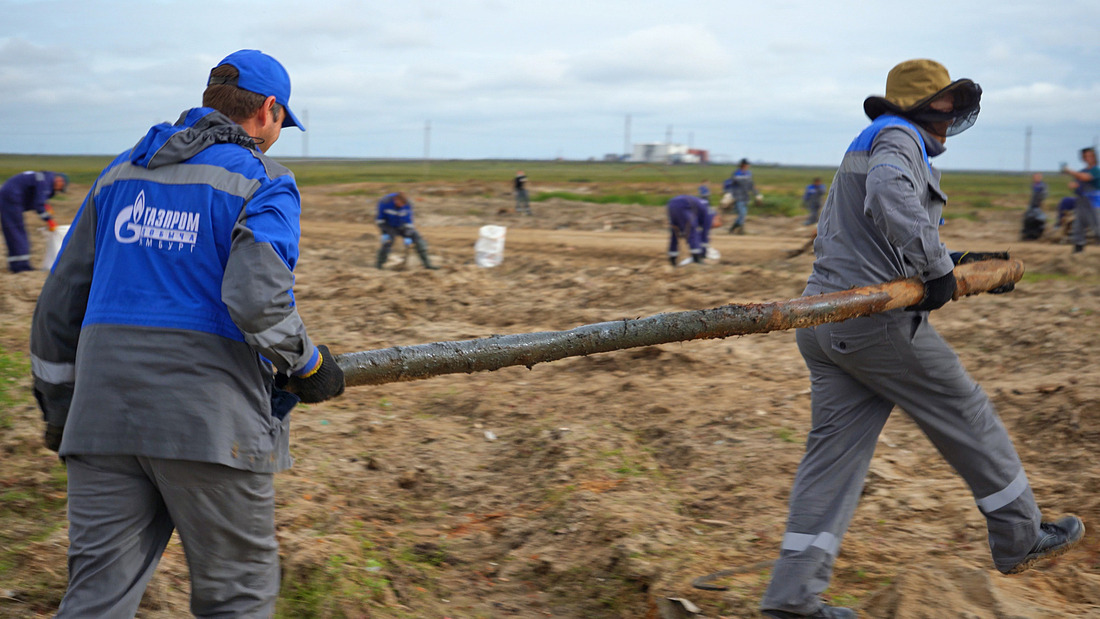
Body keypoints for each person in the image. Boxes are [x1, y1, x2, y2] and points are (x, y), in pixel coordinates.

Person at [760, 59, 1083, 619]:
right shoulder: (898, 136)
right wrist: (936, 268)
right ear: (924, 108)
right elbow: (889, 195)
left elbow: (872, 234)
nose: (951, 117)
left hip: (824, 322)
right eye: (946, 105)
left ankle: (791, 601)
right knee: (967, 412)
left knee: (833, 460)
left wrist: (953, 263)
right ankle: (1019, 535)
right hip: (873, 325)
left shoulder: (875, 139)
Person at [30, 49, 346, 618]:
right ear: (269, 110)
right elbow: (257, 299)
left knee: (95, 602)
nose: (278, 136)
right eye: (282, 123)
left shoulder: (119, 173)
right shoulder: (263, 181)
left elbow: (58, 308)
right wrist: (308, 366)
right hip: (210, 425)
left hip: (102, 420)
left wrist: (61, 414)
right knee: (237, 599)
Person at [0, 170, 67, 272]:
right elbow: (39, 204)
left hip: (9, 196)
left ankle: (16, 264)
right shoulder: (46, 181)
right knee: (16, 231)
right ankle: (21, 267)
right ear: (59, 180)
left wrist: (45, 206)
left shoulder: (44, 178)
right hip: (11, 198)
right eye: (60, 188)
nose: (57, 190)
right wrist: (49, 220)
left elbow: (35, 197)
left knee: (14, 232)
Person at [375, 191, 438, 270]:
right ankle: (379, 265)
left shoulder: (408, 204)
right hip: (388, 225)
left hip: (402, 225)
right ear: (395, 200)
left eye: (403, 205)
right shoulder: (385, 202)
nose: (401, 206)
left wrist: (408, 232)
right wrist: (386, 231)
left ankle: (427, 264)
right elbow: (380, 220)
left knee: (418, 240)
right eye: (400, 204)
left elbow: (409, 221)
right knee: (388, 242)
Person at [1060, 147, 1100, 252]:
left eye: (1090, 156)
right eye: (1085, 156)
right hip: (1082, 201)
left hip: (1094, 202)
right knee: (1078, 225)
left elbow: (1085, 177)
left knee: (1097, 225)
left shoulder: (1096, 170)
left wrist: (1069, 171)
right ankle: (1078, 249)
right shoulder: (1082, 171)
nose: (1087, 158)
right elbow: (1079, 184)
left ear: (1094, 157)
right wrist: (1074, 186)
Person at [666, 194, 711, 266]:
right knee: (692, 230)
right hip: (685, 204)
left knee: (675, 231)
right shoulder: (709, 214)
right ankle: (696, 258)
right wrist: (704, 252)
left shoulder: (701, 204)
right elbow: (704, 234)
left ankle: (672, 258)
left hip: (671, 203)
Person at [727, 158, 754, 234]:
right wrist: (729, 193)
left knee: (743, 214)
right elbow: (730, 184)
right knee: (741, 214)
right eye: (747, 164)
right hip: (738, 196)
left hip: (746, 197)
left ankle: (734, 229)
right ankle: (739, 230)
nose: (748, 165)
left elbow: (751, 185)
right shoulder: (736, 173)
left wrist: (756, 194)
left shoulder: (749, 173)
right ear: (743, 165)